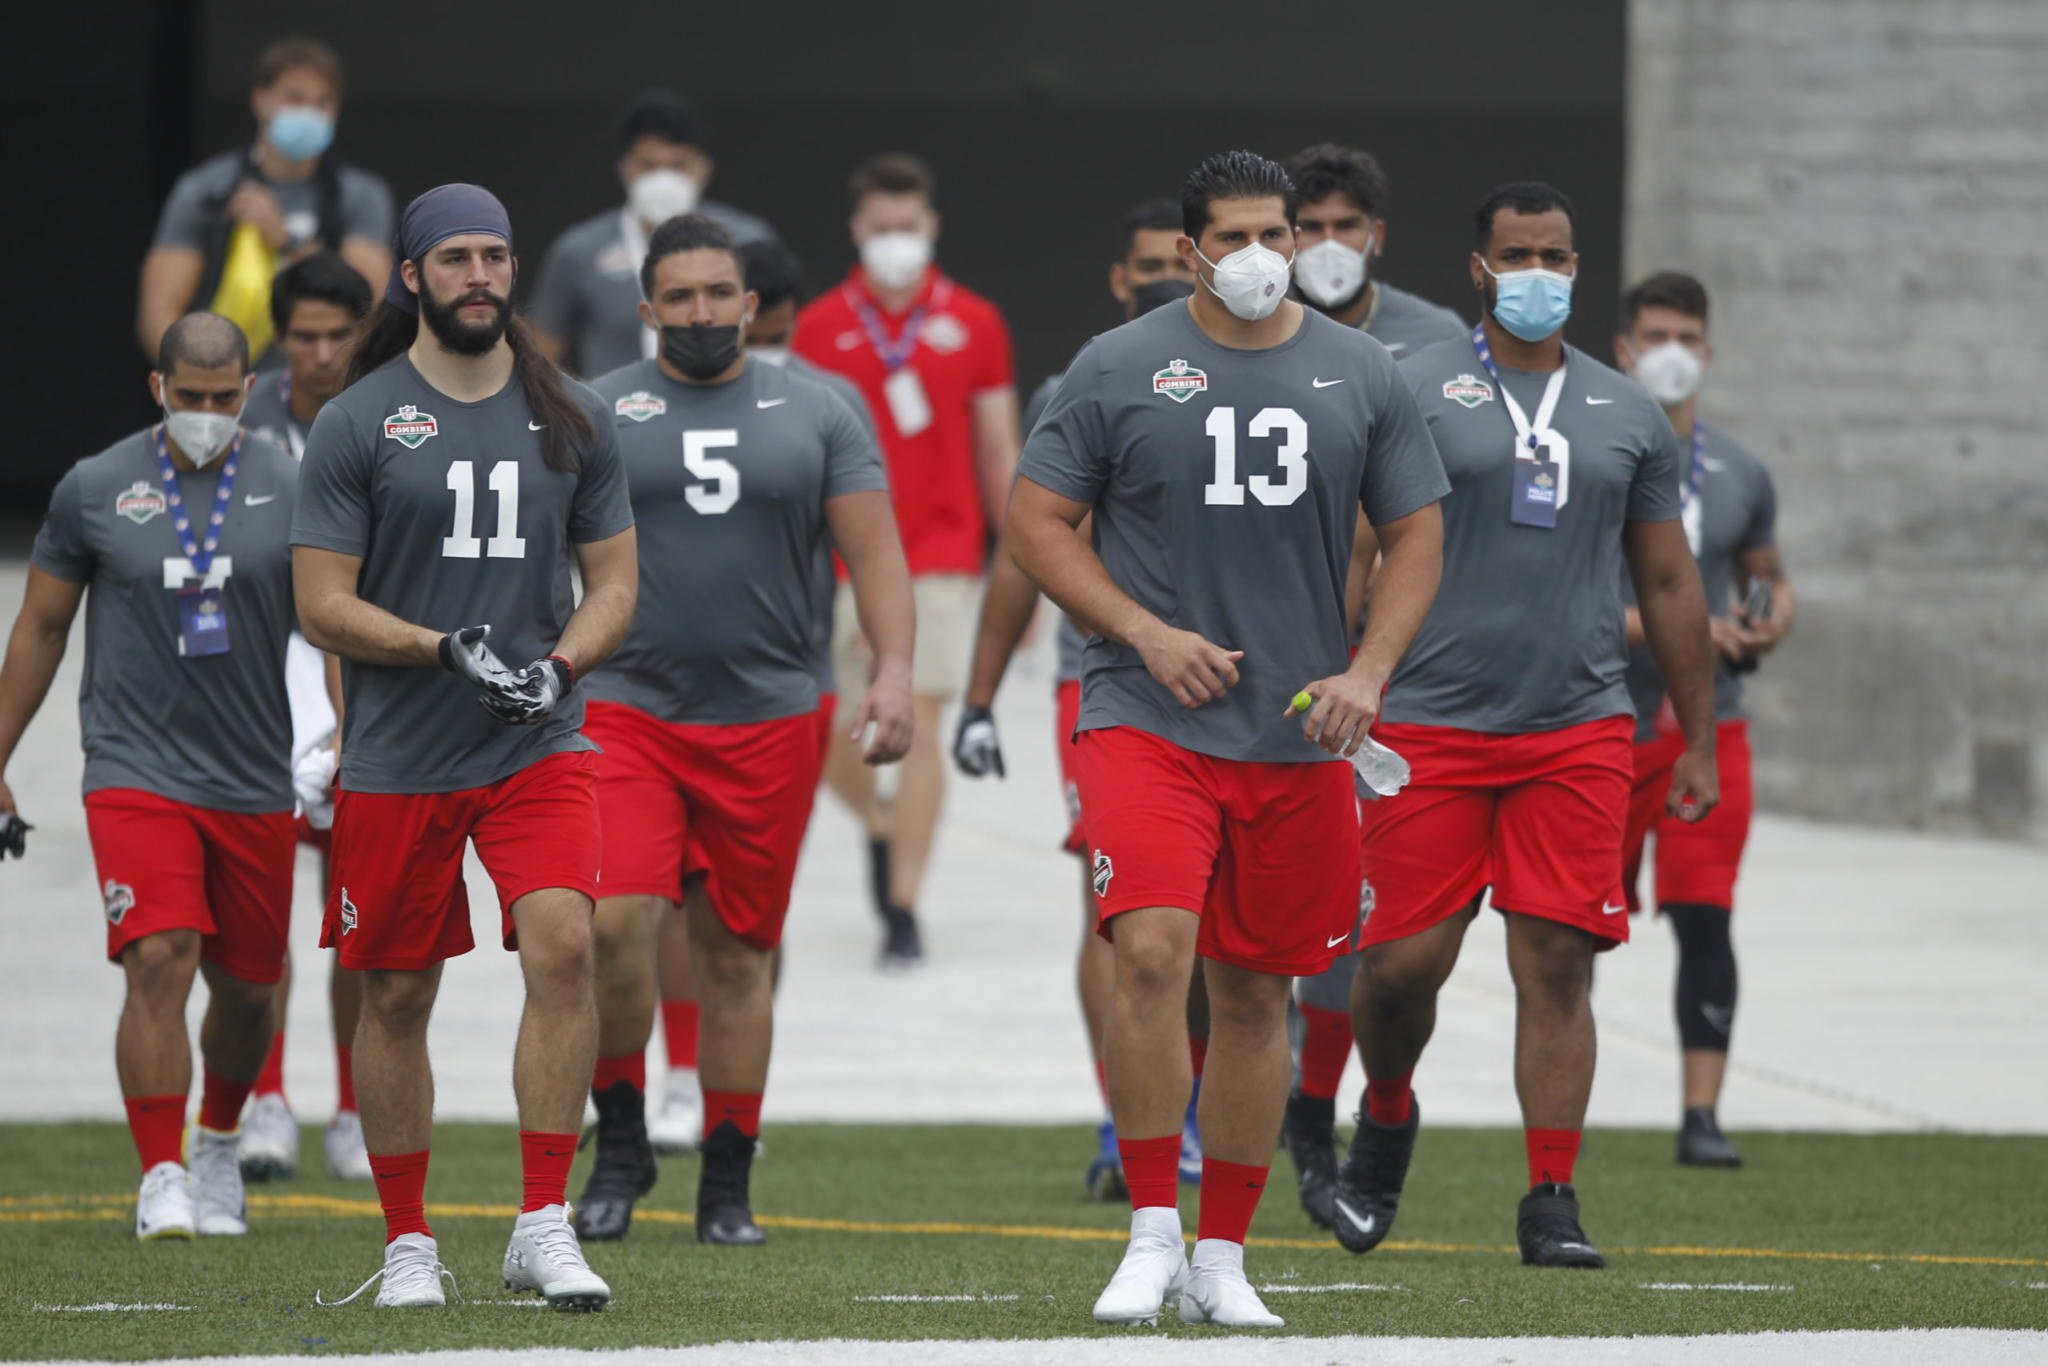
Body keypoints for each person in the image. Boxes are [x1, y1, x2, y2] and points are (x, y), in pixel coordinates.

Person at [1008, 150, 1449, 1328]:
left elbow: (1414, 534)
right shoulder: (1115, 364)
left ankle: (1222, 1256)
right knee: (1150, 952)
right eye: (1238, 235)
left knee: (1258, 993)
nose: (1263, 255)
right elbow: (1033, 520)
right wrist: (1142, 632)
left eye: (1280, 231)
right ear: (1192, 248)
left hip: (1294, 734)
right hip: (1143, 715)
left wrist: (1367, 669)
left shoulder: (1360, 370)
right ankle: (1152, 1227)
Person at [1331, 182, 1718, 1271]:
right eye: (1516, 255)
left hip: (1576, 724)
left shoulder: (1625, 410)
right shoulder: (1410, 387)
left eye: (1554, 255)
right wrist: (1342, 669)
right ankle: (1390, 1108)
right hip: (1429, 724)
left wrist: (1693, 736)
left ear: (1575, 266)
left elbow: (1670, 582)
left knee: (1555, 960)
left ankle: (1550, 1192)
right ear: (1478, 268)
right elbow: (1359, 545)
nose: (1536, 273)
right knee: (1403, 963)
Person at [293, 184, 638, 1310]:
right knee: (394, 994)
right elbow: (321, 604)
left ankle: (543, 1219)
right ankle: (407, 1241)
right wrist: (442, 648)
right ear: (412, 277)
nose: (479, 276)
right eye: (455, 260)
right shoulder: (357, 418)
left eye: (495, 256)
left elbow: (617, 584)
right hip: (400, 754)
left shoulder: (572, 411)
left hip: (540, 740)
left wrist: (559, 668)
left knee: (565, 947)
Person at [574, 214, 915, 1244]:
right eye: (677, 297)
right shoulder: (594, 409)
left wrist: (891, 672)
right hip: (625, 704)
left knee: (736, 955)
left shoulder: (819, 404)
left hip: (769, 712)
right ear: (645, 311)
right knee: (612, 923)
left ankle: (726, 1179)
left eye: (718, 293)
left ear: (749, 301)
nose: (701, 312)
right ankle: (623, 1135)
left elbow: (876, 553)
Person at [0, 313, 302, 1240]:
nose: (204, 414)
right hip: (133, 765)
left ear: (247, 393)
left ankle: (218, 1141)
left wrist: (348, 742)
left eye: (223, 398)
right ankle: (162, 1170)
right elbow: (43, 626)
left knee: (251, 989)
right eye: (189, 396)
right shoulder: (96, 487)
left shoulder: (294, 483)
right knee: (158, 957)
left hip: (253, 772)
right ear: (157, 388)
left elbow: (332, 621)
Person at [951, 197, 1199, 1202]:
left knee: (1222, 923)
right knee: (1118, 908)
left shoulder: (1265, 374)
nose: (1157, 286)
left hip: (1237, 674)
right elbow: (1029, 543)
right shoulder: (1084, 381)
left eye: (1170, 269)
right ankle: (1126, 1112)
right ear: (1116, 278)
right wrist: (976, 695)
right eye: (1141, 269)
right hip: (1099, 678)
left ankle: (1215, 1109)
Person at [1274, 142, 1469, 1227]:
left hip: (1393, 664)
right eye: (1305, 227)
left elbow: (1432, 516)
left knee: (1356, 903)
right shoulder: (1249, 334)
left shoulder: (1434, 345)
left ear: (1375, 237)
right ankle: (1258, 1113)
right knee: (1267, 904)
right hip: (1274, 642)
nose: (1324, 248)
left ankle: (1319, 1110)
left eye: (1344, 226)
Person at [793, 152, 1020, 968]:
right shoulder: (817, 325)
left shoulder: (976, 321)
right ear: (858, 230)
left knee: (921, 720)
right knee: (826, 731)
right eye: (881, 228)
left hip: (943, 553)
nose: (896, 240)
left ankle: (903, 907)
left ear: (932, 227)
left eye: (908, 226)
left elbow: (1000, 449)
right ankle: (886, 829)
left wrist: (1017, 576)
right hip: (840, 560)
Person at [1613, 271, 1796, 1169]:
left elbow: (1768, 569)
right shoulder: (1587, 450)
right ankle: (1557, 1113)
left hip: (1707, 722)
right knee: (1569, 920)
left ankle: (1701, 1113)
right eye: (1655, 335)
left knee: (1704, 915)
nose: (1672, 353)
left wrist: (1775, 612)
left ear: (1709, 352)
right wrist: (1674, 624)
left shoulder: (1740, 469)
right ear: (1625, 347)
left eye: (1687, 336)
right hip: (1599, 715)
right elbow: (1557, 599)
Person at [233, 251, 374, 1184]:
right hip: (256, 674)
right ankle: (267, 1095)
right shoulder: (233, 420)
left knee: (359, 910)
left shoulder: (398, 410)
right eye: (304, 336)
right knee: (262, 899)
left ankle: (358, 1108)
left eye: (338, 335)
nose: (322, 354)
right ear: (280, 339)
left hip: (368, 666)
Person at [138, 37, 392, 364]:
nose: (309, 113)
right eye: (295, 98)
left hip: (326, 392)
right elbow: (157, 313)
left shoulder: (361, 195)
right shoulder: (205, 190)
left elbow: (370, 305)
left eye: (322, 103)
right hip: (227, 391)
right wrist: (203, 388)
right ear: (260, 100)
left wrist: (287, 242)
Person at [529, 90, 776, 377]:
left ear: (704, 169)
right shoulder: (579, 250)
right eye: (649, 166)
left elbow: (777, 340)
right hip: (613, 418)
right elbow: (540, 355)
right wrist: (582, 406)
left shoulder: (749, 241)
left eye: (677, 166)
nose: (663, 179)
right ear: (624, 169)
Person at [1282, 143, 1468, 358]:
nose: (1329, 244)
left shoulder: (1439, 334)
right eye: (1311, 227)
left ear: (1377, 236)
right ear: (1286, 236)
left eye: (1346, 226)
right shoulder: (1254, 327)